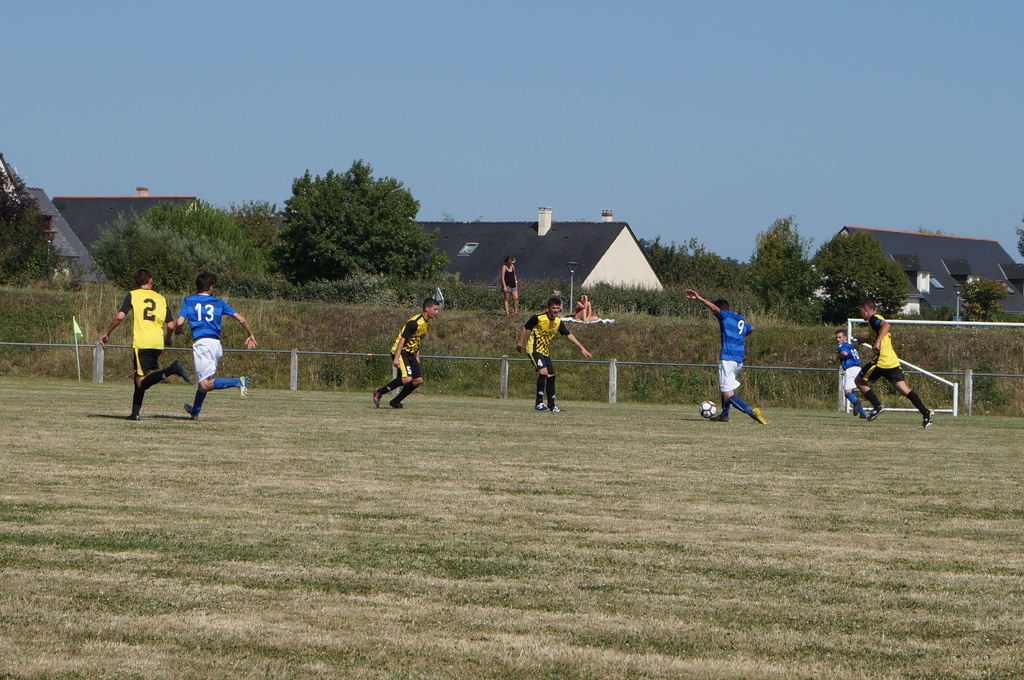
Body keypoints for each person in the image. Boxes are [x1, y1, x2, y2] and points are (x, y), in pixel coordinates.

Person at [99, 268, 191, 420]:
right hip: (157, 342)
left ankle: (171, 370)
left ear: (136, 282)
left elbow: (120, 317)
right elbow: (170, 325)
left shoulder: (133, 295)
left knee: (142, 382)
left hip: (142, 342)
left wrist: (107, 333)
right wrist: (168, 339)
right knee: (139, 376)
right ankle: (134, 414)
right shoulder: (161, 298)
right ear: (150, 281)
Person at [175, 272, 257, 420]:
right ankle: (195, 411)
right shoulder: (219, 302)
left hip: (202, 344)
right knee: (204, 381)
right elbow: (242, 320)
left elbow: (179, 322)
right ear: (210, 288)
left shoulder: (189, 300)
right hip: (215, 344)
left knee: (204, 384)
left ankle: (238, 381)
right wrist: (250, 334)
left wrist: (177, 331)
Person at [685, 289, 767, 424]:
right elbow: (751, 328)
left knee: (727, 394)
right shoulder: (739, 319)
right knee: (727, 388)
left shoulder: (725, 316)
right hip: (738, 360)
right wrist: (739, 337)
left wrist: (699, 298)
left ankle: (751, 412)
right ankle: (724, 414)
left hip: (728, 358)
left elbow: (714, 308)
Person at [853, 299, 933, 428]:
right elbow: (881, 335)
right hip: (892, 361)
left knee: (859, 381)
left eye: (860, 310)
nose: (860, 313)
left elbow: (886, 325)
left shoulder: (873, 319)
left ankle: (877, 406)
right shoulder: (876, 320)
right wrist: (866, 340)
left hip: (882, 360)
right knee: (904, 390)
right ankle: (926, 412)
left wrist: (877, 342)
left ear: (866, 309)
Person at [517, 296, 592, 412]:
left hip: (544, 351)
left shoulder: (558, 321)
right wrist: (520, 343)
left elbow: (568, 334)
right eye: (553, 308)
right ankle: (539, 403)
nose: (556, 310)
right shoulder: (538, 318)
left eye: (558, 308)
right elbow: (525, 327)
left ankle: (551, 405)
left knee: (551, 375)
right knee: (543, 372)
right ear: (547, 308)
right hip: (534, 349)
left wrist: (582, 348)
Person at [372, 298, 441, 409]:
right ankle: (379, 392)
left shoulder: (428, 322)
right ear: (427, 308)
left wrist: (417, 355)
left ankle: (396, 401)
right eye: (435, 309)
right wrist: (396, 358)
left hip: (410, 353)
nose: (437, 312)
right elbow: (402, 340)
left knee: (418, 380)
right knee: (407, 378)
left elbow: (418, 338)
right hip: (401, 352)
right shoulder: (414, 323)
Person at [835, 329, 867, 418]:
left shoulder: (842, 346)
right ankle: (863, 414)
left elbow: (844, 353)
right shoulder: (851, 346)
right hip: (858, 368)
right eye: (837, 337)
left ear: (845, 338)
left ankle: (857, 403)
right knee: (853, 393)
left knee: (847, 392)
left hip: (850, 369)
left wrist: (836, 357)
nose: (838, 339)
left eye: (840, 337)